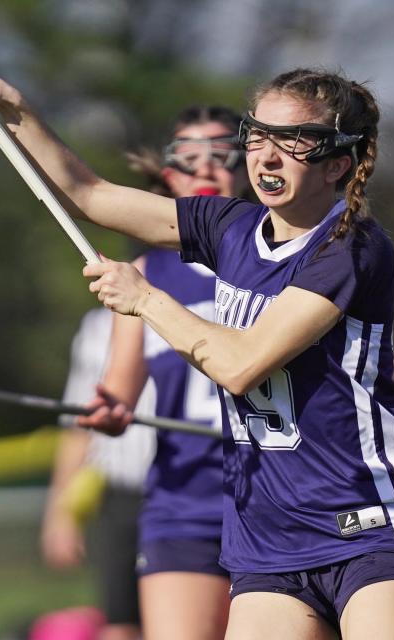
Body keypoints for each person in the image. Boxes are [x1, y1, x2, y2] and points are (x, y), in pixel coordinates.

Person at [0, 58, 394, 639]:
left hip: (367, 530)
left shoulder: (352, 246)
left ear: (338, 163)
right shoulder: (227, 227)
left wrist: (146, 299)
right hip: (267, 542)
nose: (267, 157)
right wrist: (11, 105)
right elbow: (89, 195)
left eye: (294, 142)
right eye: (258, 136)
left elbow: (240, 365)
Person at [80, 106, 249, 640]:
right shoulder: (147, 273)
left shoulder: (282, 258)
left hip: (278, 501)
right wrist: (110, 411)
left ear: (249, 169)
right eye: (188, 158)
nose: (205, 170)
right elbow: (120, 387)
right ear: (167, 174)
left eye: (222, 155)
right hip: (184, 503)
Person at [41, 306, 156, 640]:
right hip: (121, 491)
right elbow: (78, 425)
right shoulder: (96, 326)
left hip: (191, 489)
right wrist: (60, 513)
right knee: (120, 620)